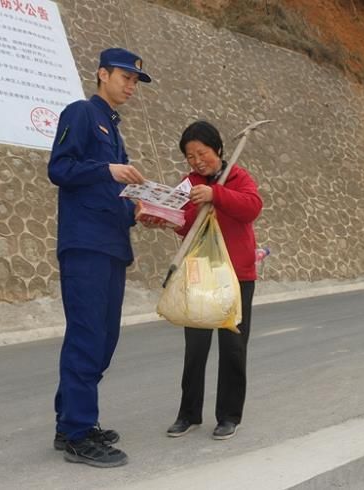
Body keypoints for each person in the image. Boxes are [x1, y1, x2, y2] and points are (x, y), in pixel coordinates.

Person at [47, 47, 150, 468]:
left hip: (110, 246)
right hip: (85, 245)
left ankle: (69, 421)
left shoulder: (114, 130)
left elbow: (115, 196)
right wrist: (107, 170)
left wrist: (143, 213)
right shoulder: (81, 113)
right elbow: (60, 169)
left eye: (134, 81)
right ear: (102, 74)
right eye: (124, 77)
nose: (130, 85)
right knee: (88, 337)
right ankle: (76, 432)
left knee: (104, 340)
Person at [143, 121, 262, 440]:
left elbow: (252, 208)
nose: (196, 161)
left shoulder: (237, 176)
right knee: (195, 348)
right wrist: (162, 218)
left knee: (233, 347)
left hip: (236, 276)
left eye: (202, 153)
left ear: (219, 150)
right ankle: (188, 414)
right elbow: (185, 223)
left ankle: (228, 416)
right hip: (199, 274)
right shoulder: (189, 183)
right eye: (190, 156)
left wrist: (216, 194)